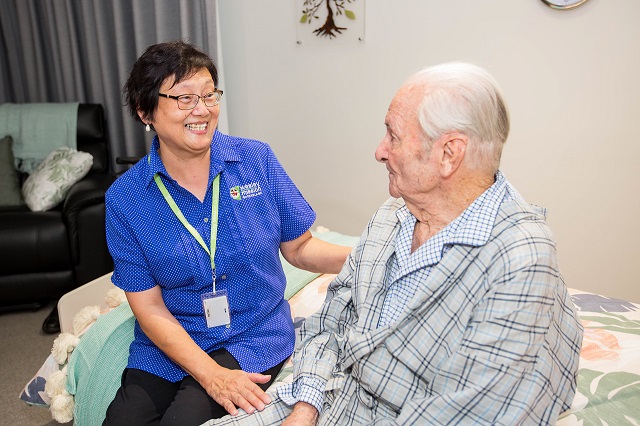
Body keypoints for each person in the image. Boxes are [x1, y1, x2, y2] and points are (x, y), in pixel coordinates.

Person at [207, 62, 584, 426]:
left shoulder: (520, 257)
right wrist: (306, 407)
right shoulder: (393, 215)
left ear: (449, 154)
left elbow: (474, 412)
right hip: (325, 399)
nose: (380, 151)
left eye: (394, 135)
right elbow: (329, 322)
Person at [102, 40, 352, 426]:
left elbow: (300, 247)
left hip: (251, 335)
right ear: (144, 110)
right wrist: (210, 374)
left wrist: (365, 255)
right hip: (169, 343)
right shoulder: (126, 199)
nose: (202, 110)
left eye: (209, 95)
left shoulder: (255, 160)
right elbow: (148, 307)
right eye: (184, 99)